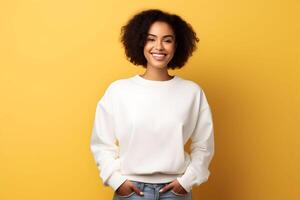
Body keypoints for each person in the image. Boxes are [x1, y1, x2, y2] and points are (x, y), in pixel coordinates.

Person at [90, 9, 215, 200]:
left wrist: (186, 182)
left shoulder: (191, 92)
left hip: (175, 192)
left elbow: (204, 145)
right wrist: (116, 180)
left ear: (177, 45)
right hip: (131, 192)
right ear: (140, 42)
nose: (159, 46)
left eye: (167, 39)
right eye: (151, 39)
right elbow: (101, 143)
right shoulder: (119, 91)